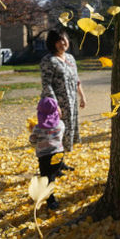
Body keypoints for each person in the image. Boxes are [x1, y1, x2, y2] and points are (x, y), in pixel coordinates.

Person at [40, 29, 86, 162]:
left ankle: (61, 162)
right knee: (56, 133)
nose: (62, 43)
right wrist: (55, 106)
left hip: (71, 102)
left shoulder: (70, 58)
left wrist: (82, 96)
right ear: (52, 43)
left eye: (63, 39)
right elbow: (46, 84)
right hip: (56, 105)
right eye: (58, 41)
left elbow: (76, 80)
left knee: (68, 131)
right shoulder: (48, 60)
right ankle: (55, 165)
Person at [29, 97, 65, 210]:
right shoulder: (61, 124)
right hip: (59, 154)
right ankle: (54, 176)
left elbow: (33, 141)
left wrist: (32, 135)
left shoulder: (37, 129)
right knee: (52, 175)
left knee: (46, 178)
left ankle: (51, 201)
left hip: (44, 157)